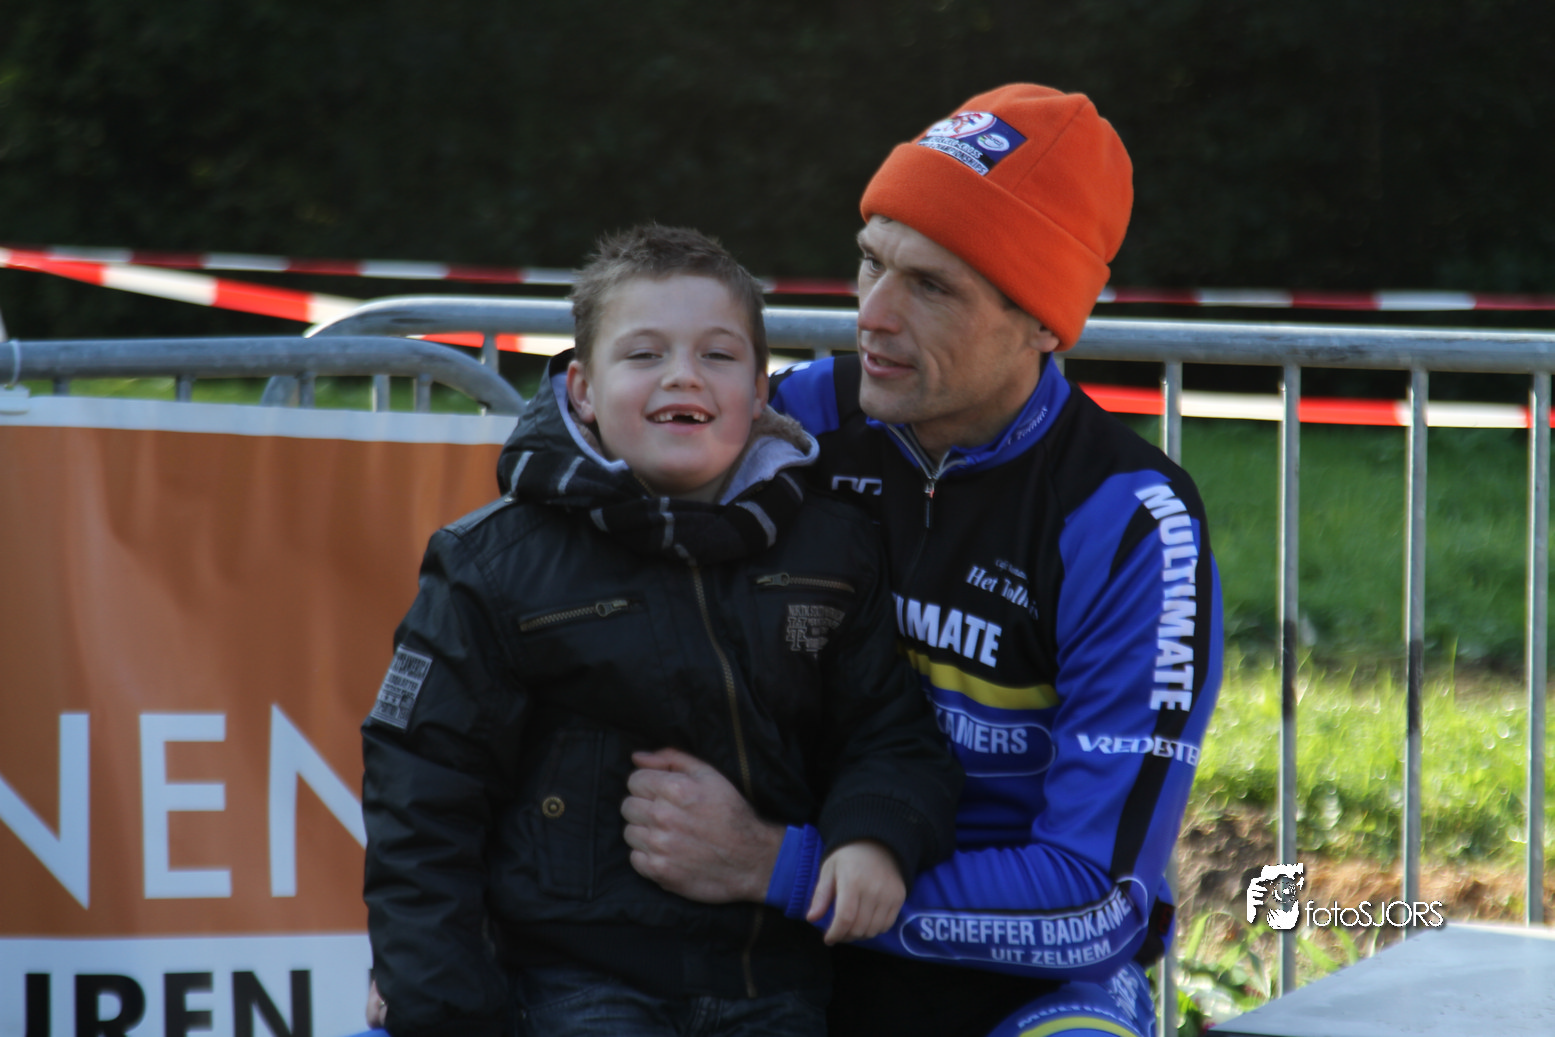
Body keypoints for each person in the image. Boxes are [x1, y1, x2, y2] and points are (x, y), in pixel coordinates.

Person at [620, 85, 1223, 1037]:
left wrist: (778, 865)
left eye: (931, 287)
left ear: (1042, 323)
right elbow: (584, 459)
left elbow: (1096, 901)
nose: (872, 313)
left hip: (1014, 981)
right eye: (871, 260)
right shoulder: (802, 419)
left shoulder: (1129, 522)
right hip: (780, 952)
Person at [360, 225, 963, 1037]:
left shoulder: (834, 548)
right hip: (572, 983)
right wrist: (441, 1005)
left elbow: (888, 732)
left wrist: (874, 837)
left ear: (759, 392)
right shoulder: (491, 565)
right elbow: (423, 791)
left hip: (774, 980)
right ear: (582, 390)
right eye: (644, 354)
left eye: (718, 354)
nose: (683, 374)